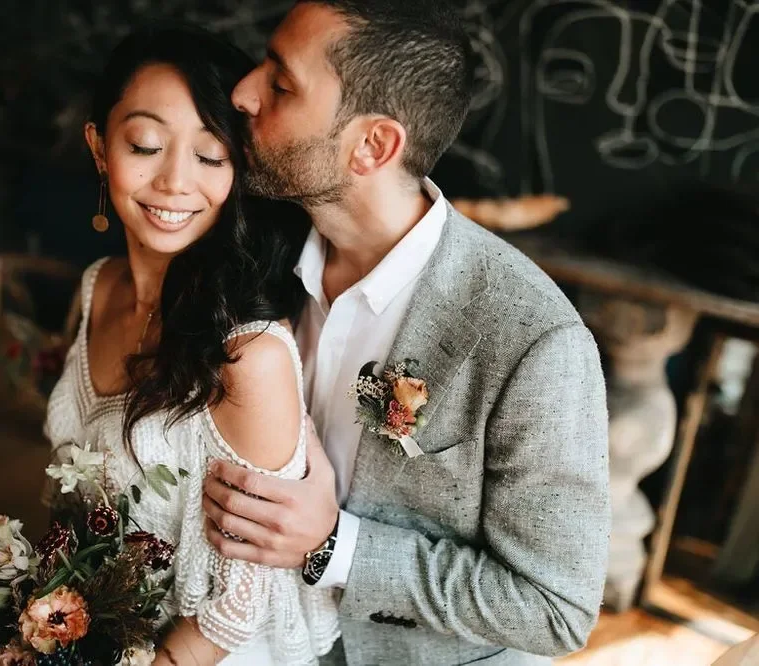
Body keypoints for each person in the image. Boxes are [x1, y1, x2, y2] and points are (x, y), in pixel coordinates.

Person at [201, 1, 611, 664]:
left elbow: (554, 609)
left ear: (373, 145)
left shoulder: (534, 341)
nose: (243, 94)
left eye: (281, 85)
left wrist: (336, 547)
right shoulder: (254, 246)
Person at [43, 25, 339, 666]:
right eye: (145, 144)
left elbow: (240, 605)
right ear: (99, 147)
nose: (176, 182)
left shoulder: (247, 354)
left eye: (210, 157)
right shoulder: (98, 287)